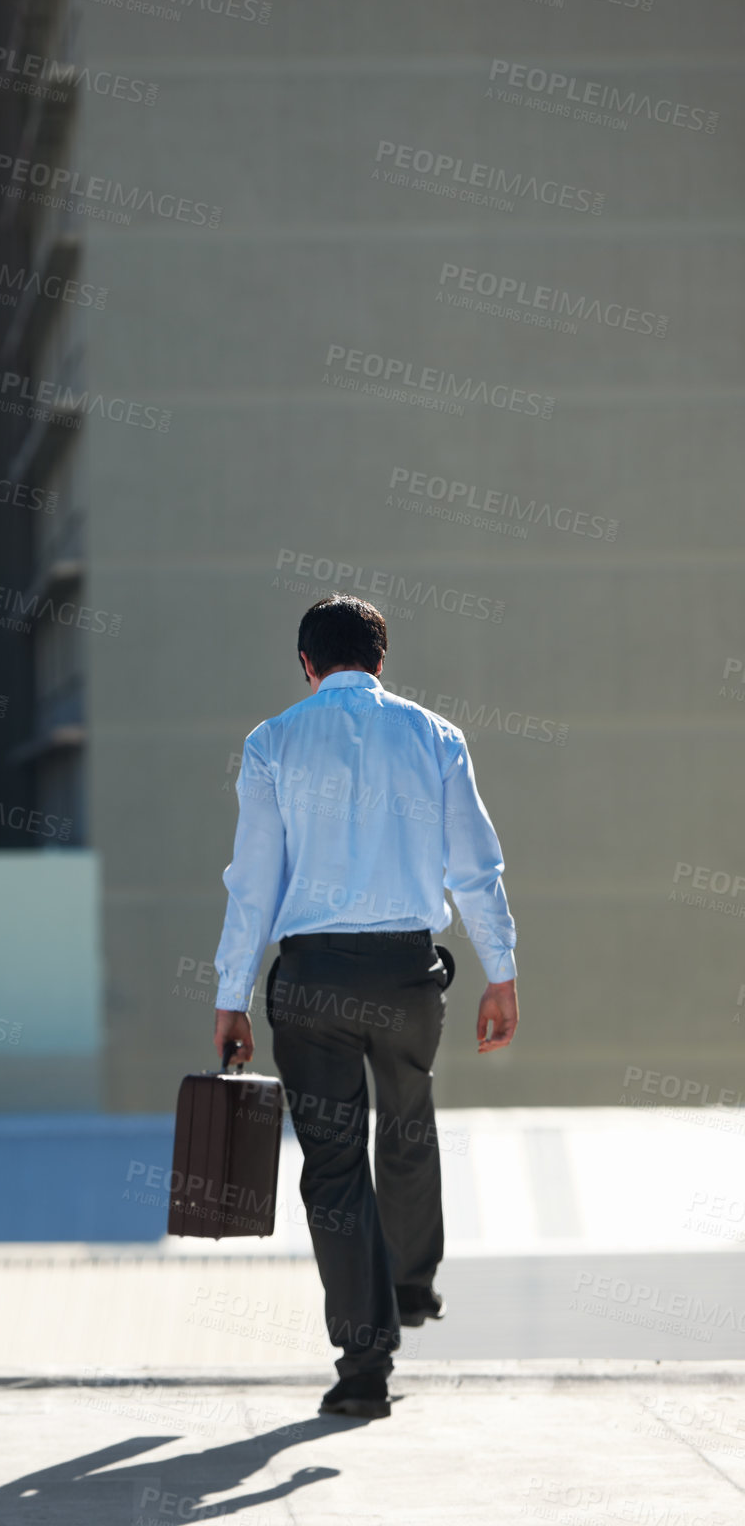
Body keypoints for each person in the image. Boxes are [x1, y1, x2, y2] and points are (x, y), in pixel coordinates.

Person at [211, 594, 518, 1420]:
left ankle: (362, 1367)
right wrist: (502, 971)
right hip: (407, 974)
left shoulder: (272, 742)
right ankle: (413, 1287)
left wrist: (230, 993)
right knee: (408, 1125)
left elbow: (253, 883)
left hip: (310, 980)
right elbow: (474, 869)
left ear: (307, 667)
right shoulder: (435, 736)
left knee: (334, 1172)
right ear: (381, 661)